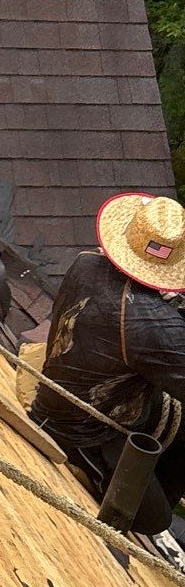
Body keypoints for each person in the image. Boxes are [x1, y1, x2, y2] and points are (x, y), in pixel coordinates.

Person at [30, 193, 185, 535]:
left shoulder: (85, 262)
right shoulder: (155, 328)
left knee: (177, 420)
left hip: (70, 394)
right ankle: (115, 479)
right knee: (155, 520)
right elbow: (156, 336)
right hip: (82, 435)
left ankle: (149, 466)